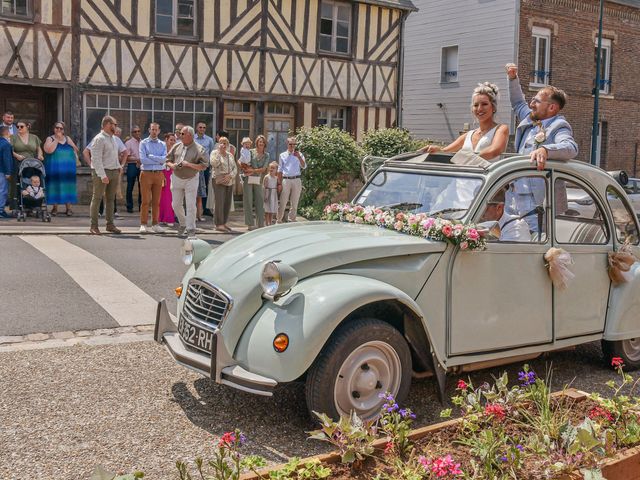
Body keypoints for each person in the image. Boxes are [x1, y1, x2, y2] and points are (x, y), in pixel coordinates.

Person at [505, 63, 578, 231]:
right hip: (513, 193)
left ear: (551, 107)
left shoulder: (559, 125)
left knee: (532, 240)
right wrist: (512, 78)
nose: (531, 104)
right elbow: (517, 102)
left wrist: (545, 150)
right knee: (509, 237)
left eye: (536, 101)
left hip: (536, 198)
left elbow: (570, 147)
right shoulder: (530, 117)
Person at [421, 82, 509, 161]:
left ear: (493, 107)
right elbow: (445, 151)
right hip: (463, 178)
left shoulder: (501, 129)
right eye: (476, 105)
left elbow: (495, 150)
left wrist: (464, 161)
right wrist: (433, 149)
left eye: (484, 104)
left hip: (486, 179)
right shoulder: (468, 135)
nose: (479, 108)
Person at [166, 125, 208, 237]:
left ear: (190, 135)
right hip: (176, 178)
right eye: (180, 133)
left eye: (182, 134)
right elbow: (167, 160)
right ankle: (183, 223)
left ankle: (191, 228)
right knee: (175, 205)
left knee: (190, 204)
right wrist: (172, 165)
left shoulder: (199, 149)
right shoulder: (176, 146)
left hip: (191, 178)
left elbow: (204, 166)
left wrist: (189, 164)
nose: (180, 135)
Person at [88, 115, 122, 235]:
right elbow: (96, 159)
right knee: (97, 198)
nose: (116, 127)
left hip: (113, 171)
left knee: (111, 199)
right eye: (115, 124)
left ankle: (110, 225)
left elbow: (114, 155)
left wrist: (118, 167)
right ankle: (94, 226)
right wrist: (103, 175)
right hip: (101, 172)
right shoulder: (99, 138)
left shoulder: (113, 138)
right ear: (108, 124)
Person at [43, 121, 79, 216]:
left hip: (68, 168)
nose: (58, 130)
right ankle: (55, 208)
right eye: (57, 128)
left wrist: (72, 148)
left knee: (68, 187)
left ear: (63, 130)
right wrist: (57, 140)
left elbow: (76, 149)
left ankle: (69, 209)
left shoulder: (67, 138)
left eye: (61, 128)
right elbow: (48, 150)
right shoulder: (50, 138)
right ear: (54, 129)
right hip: (54, 168)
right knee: (55, 186)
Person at [138, 122, 167, 234]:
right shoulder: (143, 143)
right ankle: (143, 224)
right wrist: (158, 159)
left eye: (156, 130)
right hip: (146, 173)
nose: (154, 131)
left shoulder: (163, 144)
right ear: (149, 130)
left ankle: (155, 224)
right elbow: (143, 160)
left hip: (159, 174)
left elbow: (164, 160)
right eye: (152, 129)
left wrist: (151, 156)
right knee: (145, 200)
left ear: (159, 131)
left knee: (156, 201)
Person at [210, 136, 237, 232]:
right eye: (221, 143)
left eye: (225, 143)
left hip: (229, 180)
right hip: (218, 180)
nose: (223, 145)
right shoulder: (214, 153)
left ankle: (224, 223)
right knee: (219, 202)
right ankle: (218, 224)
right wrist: (220, 153)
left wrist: (231, 175)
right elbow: (214, 164)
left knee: (227, 202)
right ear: (218, 144)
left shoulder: (230, 155)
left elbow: (235, 168)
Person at [277, 137, 306, 223]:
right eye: (290, 144)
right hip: (286, 180)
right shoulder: (282, 155)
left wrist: (299, 157)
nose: (292, 146)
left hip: (296, 179)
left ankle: (291, 220)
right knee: (283, 201)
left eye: (294, 144)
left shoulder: (299, 154)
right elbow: (280, 170)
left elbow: (304, 166)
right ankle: (279, 220)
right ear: (287, 144)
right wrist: (279, 183)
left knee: (295, 202)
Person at [242, 135, 269, 230]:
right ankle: (250, 224)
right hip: (248, 179)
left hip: (258, 180)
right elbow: (240, 160)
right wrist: (244, 168)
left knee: (259, 201)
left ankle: (260, 223)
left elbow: (264, 169)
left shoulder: (267, 155)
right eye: (259, 141)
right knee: (248, 201)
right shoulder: (250, 151)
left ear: (265, 143)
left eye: (262, 142)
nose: (261, 143)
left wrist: (252, 171)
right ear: (256, 142)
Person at [194, 121, 215, 220]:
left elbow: (211, 154)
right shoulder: (192, 139)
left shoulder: (209, 140)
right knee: (192, 188)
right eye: (200, 127)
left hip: (205, 168)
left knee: (204, 188)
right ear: (196, 128)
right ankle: (193, 211)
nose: (202, 129)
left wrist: (209, 166)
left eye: (204, 127)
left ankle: (204, 210)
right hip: (193, 167)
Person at [158, 132, 176, 225]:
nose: (173, 142)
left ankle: (169, 218)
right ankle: (161, 218)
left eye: (174, 140)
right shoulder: (162, 149)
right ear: (166, 140)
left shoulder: (176, 150)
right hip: (162, 173)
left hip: (173, 174)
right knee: (161, 197)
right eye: (171, 140)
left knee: (170, 197)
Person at [124, 125, 142, 213]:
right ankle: (129, 207)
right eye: (135, 131)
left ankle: (141, 206)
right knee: (130, 187)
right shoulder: (128, 143)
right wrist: (137, 159)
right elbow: (126, 157)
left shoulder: (143, 142)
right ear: (132, 133)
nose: (137, 133)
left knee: (142, 187)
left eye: (138, 131)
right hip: (132, 166)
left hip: (142, 167)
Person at [0, 126, 12, 218]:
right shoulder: (6, 144)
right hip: (2, 171)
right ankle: (0, 210)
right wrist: (8, 172)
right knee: (3, 191)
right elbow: (6, 159)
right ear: (6, 133)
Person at [263, 161, 279, 226]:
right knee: (267, 209)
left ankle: (270, 222)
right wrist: (265, 196)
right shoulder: (267, 177)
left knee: (271, 209)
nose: (271, 169)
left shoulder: (276, 178)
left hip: (273, 194)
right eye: (270, 168)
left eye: (273, 168)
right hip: (268, 193)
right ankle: (266, 223)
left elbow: (277, 186)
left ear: (276, 170)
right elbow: (264, 187)